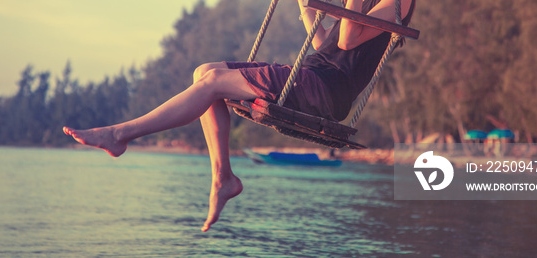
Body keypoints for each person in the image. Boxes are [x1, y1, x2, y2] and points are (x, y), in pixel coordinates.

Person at [63, 0, 415, 232]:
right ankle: (223, 179)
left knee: (215, 82)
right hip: (309, 74)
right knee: (205, 72)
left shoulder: (398, 2)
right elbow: (326, 42)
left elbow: (349, 39)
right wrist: (305, 5)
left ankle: (121, 134)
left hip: (324, 90)